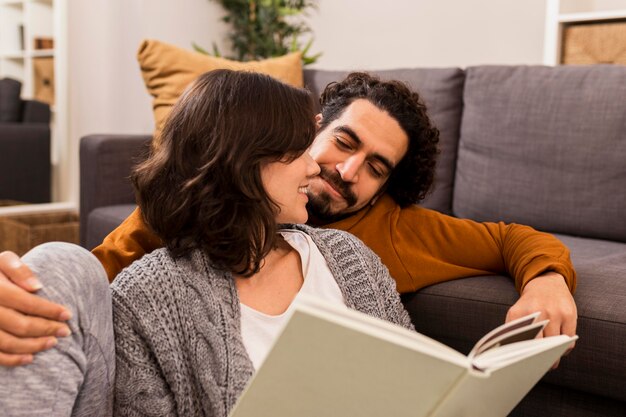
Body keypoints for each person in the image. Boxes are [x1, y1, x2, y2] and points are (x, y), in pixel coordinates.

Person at [0, 72, 577, 367]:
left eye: (375, 167)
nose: (348, 170)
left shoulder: (391, 232)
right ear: (308, 132)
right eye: (342, 141)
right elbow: (91, 274)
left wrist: (546, 278)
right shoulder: (198, 203)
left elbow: (513, 238)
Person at [1, 70, 415, 416]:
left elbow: (420, 384)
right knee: (59, 262)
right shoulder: (146, 294)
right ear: (244, 159)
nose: (316, 168)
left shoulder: (353, 259)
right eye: (297, 151)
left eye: (377, 168)